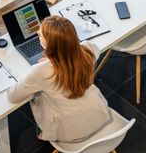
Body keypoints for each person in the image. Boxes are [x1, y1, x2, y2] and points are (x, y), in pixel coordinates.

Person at [7, 16, 114, 144]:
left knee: (38, 97)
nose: (37, 35)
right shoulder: (88, 49)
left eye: (40, 35)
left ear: (48, 44)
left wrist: (44, 64)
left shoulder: (41, 71)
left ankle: (45, 134)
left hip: (70, 132)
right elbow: (94, 50)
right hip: (98, 116)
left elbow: (13, 97)